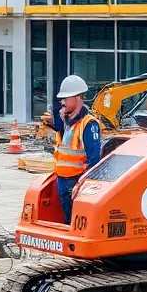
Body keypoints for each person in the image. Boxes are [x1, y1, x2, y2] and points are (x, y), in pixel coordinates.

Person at [50, 74, 102, 225]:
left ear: (78, 97)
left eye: (66, 98)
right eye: (62, 99)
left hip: (77, 181)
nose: (63, 102)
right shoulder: (67, 122)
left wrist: (83, 184)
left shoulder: (89, 124)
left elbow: (94, 160)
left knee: (78, 222)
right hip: (63, 179)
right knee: (68, 220)